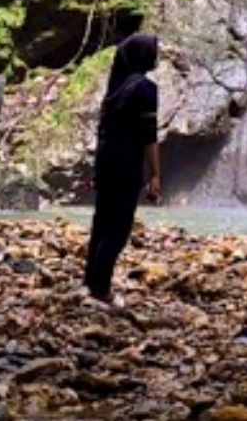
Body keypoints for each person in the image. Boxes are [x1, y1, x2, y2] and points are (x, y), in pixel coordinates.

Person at [84, 33, 163, 302]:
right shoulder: (146, 89)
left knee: (102, 223)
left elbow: (103, 134)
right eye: (154, 51)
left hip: (107, 164)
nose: (157, 55)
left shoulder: (115, 89)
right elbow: (149, 136)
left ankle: (92, 281)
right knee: (119, 228)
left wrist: (97, 170)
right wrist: (154, 175)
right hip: (127, 166)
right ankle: (101, 289)